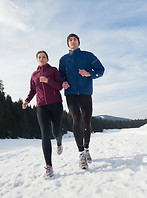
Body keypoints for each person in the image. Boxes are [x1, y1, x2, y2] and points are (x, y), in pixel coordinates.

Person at [59, 34, 105, 170]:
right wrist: (63, 83)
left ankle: (87, 148)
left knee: (86, 121)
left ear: (78, 42)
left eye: (75, 39)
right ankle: (81, 154)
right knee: (77, 119)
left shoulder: (88, 56)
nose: (72, 42)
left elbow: (101, 70)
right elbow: (61, 75)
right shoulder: (63, 59)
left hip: (85, 93)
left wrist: (89, 73)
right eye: (70, 40)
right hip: (71, 94)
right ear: (68, 43)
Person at [22, 51, 63, 179]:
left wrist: (47, 80)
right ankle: (49, 167)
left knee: (56, 131)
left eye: (43, 57)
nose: (41, 59)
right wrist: (27, 100)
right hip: (41, 106)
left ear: (47, 58)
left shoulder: (53, 70)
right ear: (37, 60)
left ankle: (59, 141)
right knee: (45, 134)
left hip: (56, 104)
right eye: (39, 57)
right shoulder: (34, 75)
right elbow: (32, 90)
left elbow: (60, 86)